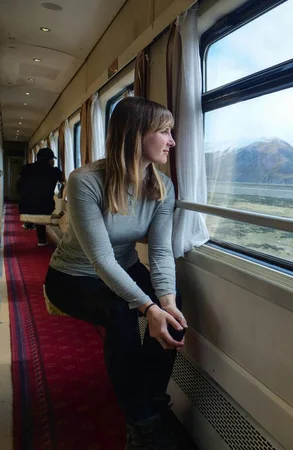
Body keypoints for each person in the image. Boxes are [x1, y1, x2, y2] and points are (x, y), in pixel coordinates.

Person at [44, 97, 186, 450]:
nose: (172, 141)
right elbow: (101, 260)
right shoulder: (85, 182)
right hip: (73, 275)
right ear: (137, 134)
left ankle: (150, 404)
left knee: (173, 307)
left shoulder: (162, 187)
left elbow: (161, 250)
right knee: (120, 310)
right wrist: (147, 308)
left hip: (122, 267)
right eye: (164, 132)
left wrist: (164, 301)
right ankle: (143, 429)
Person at [17, 147, 64, 246]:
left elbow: (18, 187)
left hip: (24, 207)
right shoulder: (55, 171)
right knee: (43, 202)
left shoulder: (26, 168)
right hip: (45, 208)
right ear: (50, 160)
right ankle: (41, 240)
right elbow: (63, 181)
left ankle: (30, 223)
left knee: (34, 199)